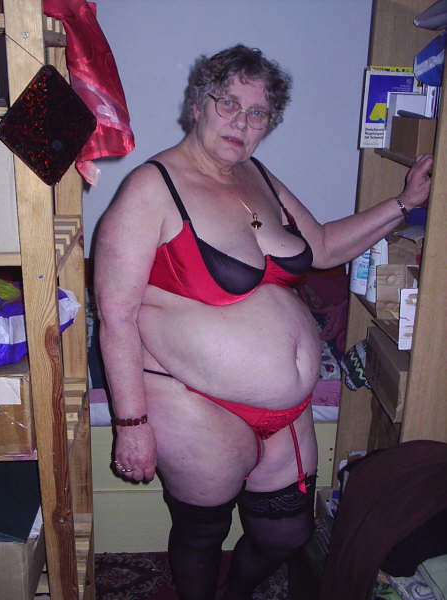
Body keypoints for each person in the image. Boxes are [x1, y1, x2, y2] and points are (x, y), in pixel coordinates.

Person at [94, 44, 432, 600]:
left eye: (258, 113)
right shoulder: (151, 188)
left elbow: (323, 246)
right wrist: (131, 424)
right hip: (191, 399)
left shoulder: (257, 174)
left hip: (284, 410)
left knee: (288, 533)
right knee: (202, 534)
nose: (242, 121)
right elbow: (116, 315)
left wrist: (404, 202)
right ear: (198, 103)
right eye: (229, 103)